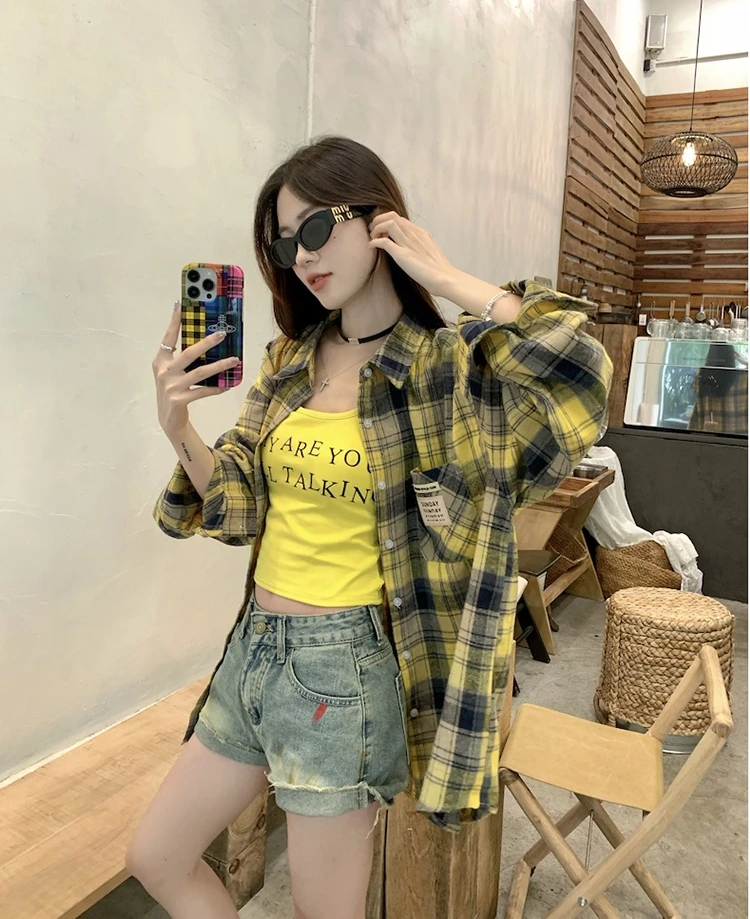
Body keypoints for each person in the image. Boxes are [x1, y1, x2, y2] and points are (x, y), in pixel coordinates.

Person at [126, 136, 612, 919]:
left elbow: (581, 370)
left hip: (344, 673)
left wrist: (447, 278)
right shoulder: (290, 359)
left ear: (379, 221)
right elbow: (239, 502)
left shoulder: (447, 370)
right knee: (156, 857)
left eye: (318, 228)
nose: (302, 257)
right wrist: (177, 427)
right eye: (285, 243)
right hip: (254, 650)